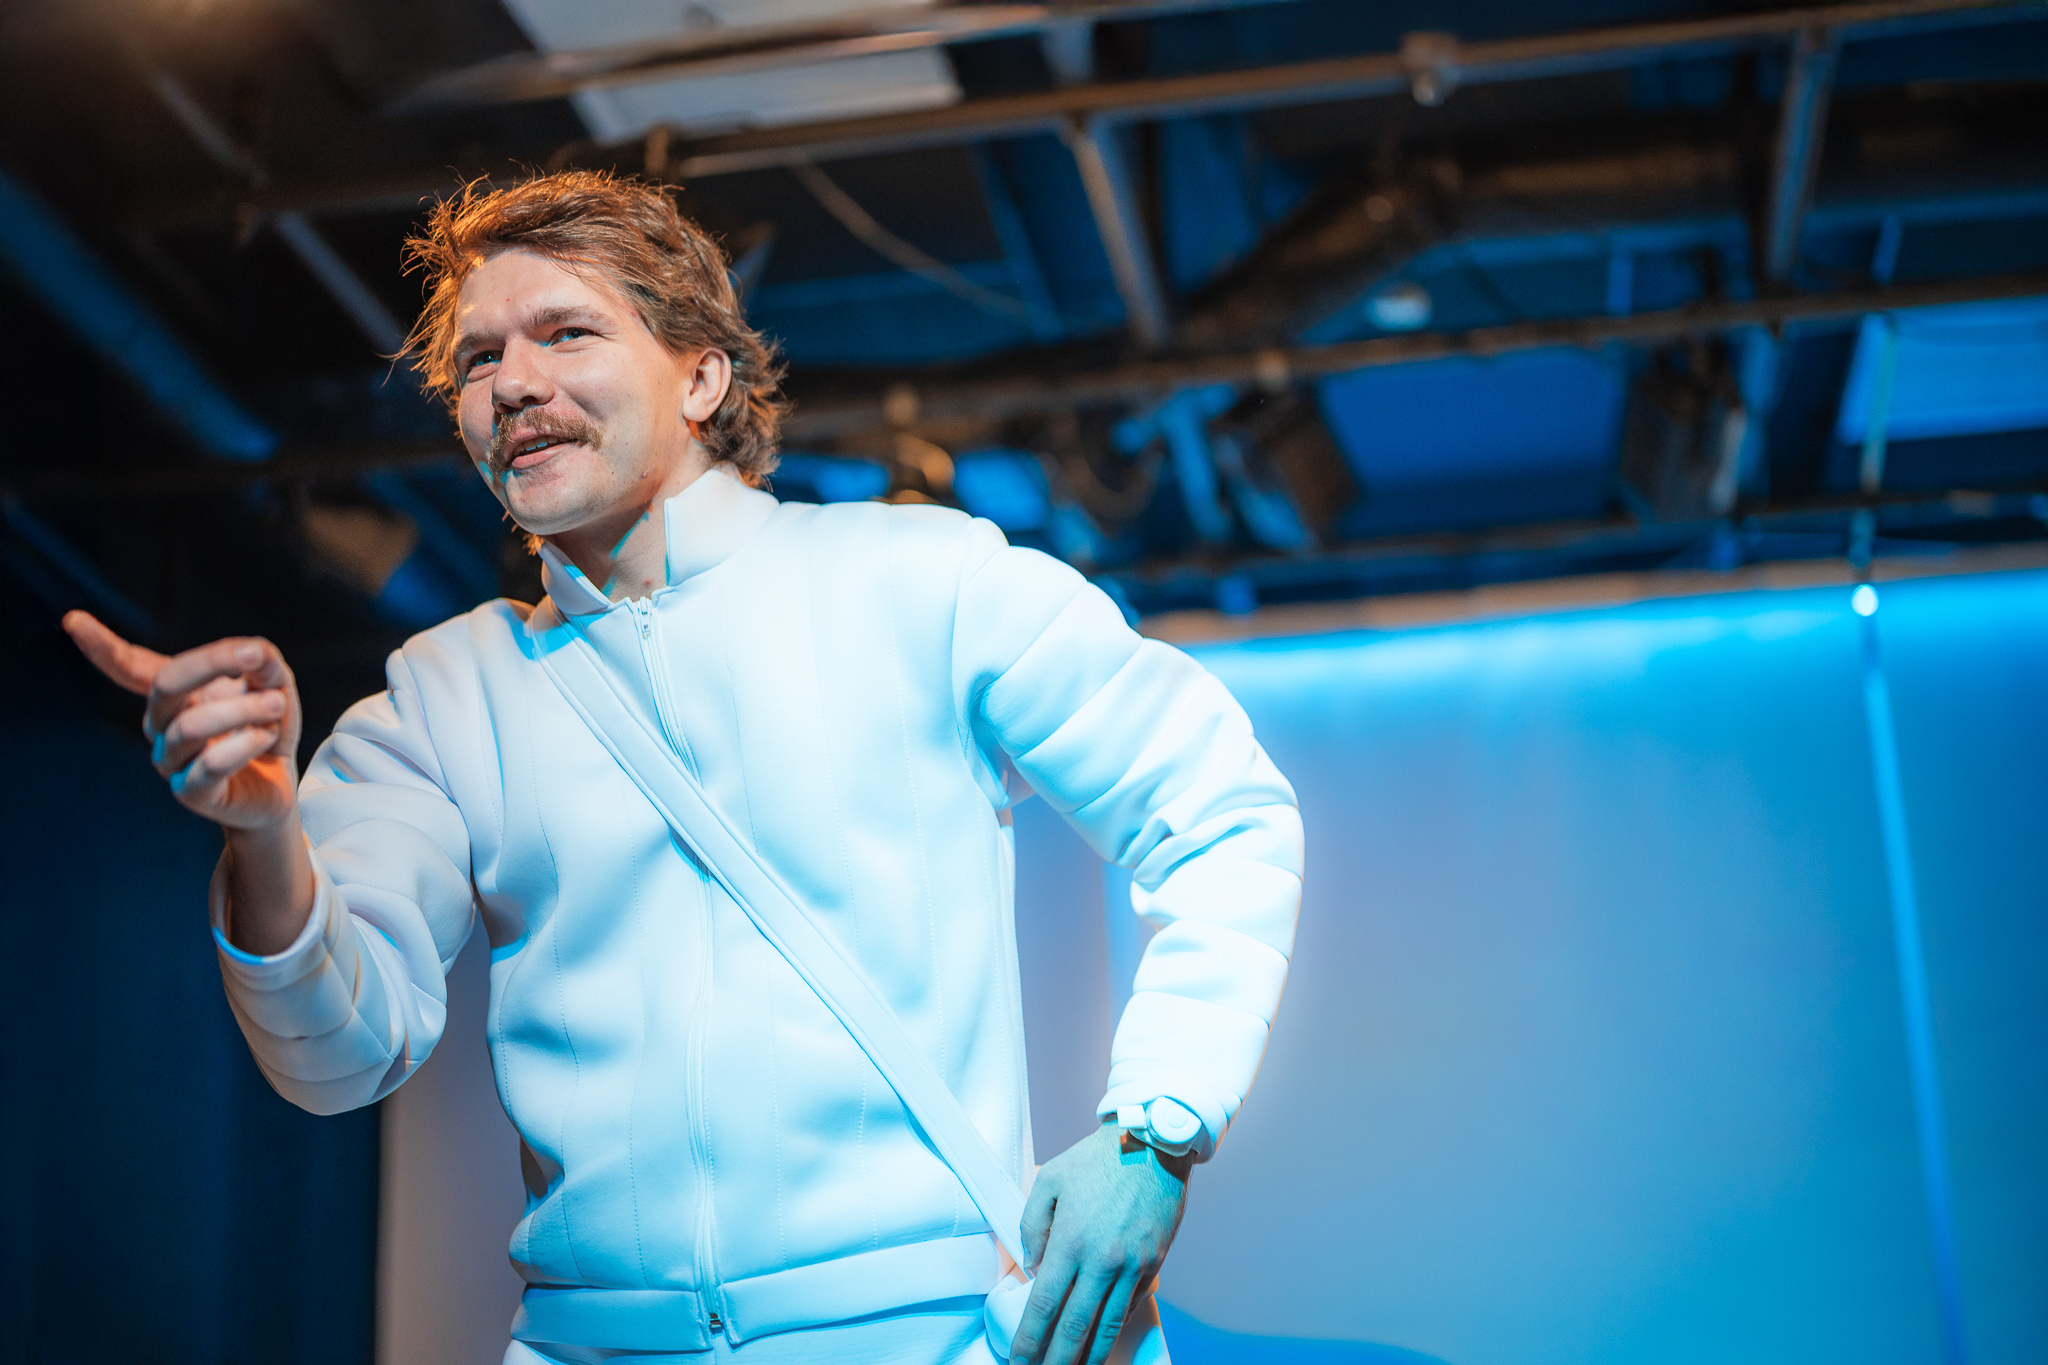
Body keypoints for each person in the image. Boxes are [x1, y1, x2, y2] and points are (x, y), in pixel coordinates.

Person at [67, 170, 1302, 1365]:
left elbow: (1217, 808)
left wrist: (1154, 1134)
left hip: (922, 1332)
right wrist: (264, 835)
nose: (514, 383)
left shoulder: (921, 580)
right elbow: (339, 1057)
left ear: (701, 376)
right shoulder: (441, 698)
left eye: (565, 333)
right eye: (479, 360)